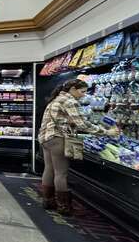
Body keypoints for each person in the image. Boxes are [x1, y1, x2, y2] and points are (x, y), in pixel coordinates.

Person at [38, 78, 114, 214]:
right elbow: (82, 124)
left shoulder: (56, 99)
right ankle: (64, 207)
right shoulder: (69, 101)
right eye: (82, 91)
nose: (84, 95)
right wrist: (107, 132)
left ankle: (48, 201)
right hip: (58, 138)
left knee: (49, 169)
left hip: (46, 138)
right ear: (72, 89)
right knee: (61, 173)